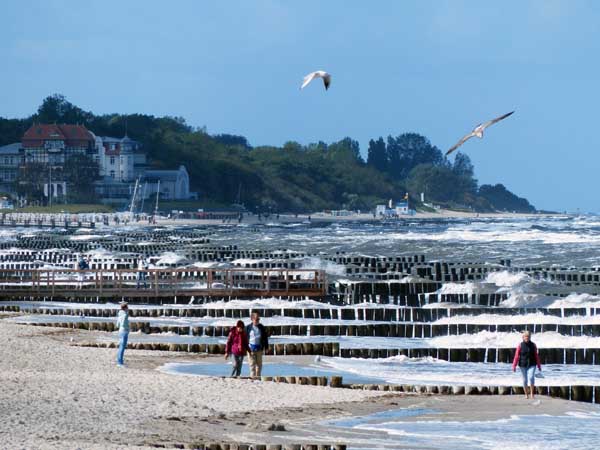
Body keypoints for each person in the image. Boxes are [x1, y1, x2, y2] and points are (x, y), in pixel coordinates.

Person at [512, 330, 542, 399]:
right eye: (525, 336)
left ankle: (532, 393)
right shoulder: (520, 345)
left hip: (532, 364)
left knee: (531, 377)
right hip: (523, 365)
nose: (527, 338)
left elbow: (536, 356)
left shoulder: (533, 345)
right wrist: (514, 366)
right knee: (524, 380)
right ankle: (526, 394)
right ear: (523, 337)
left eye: (528, 336)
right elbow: (516, 356)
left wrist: (539, 365)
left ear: (530, 337)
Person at [246, 312, 269, 377]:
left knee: (259, 365)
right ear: (252, 319)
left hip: (259, 348)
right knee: (252, 365)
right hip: (250, 349)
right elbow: (244, 338)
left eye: (258, 319)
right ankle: (253, 378)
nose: (258, 320)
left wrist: (266, 347)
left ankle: (258, 378)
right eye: (256, 319)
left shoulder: (261, 327)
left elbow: (265, 338)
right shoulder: (248, 328)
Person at [116, 302, 130, 366]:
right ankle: (120, 363)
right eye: (127, 307)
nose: (128, 308)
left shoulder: (119, 314)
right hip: (124, 331)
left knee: (121, 347)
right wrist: (127, 327)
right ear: (125, 308)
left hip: (120, 331)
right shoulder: (125, 314)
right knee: (122, 347)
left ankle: (119, 361)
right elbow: (124, 322)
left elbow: (117, 325)